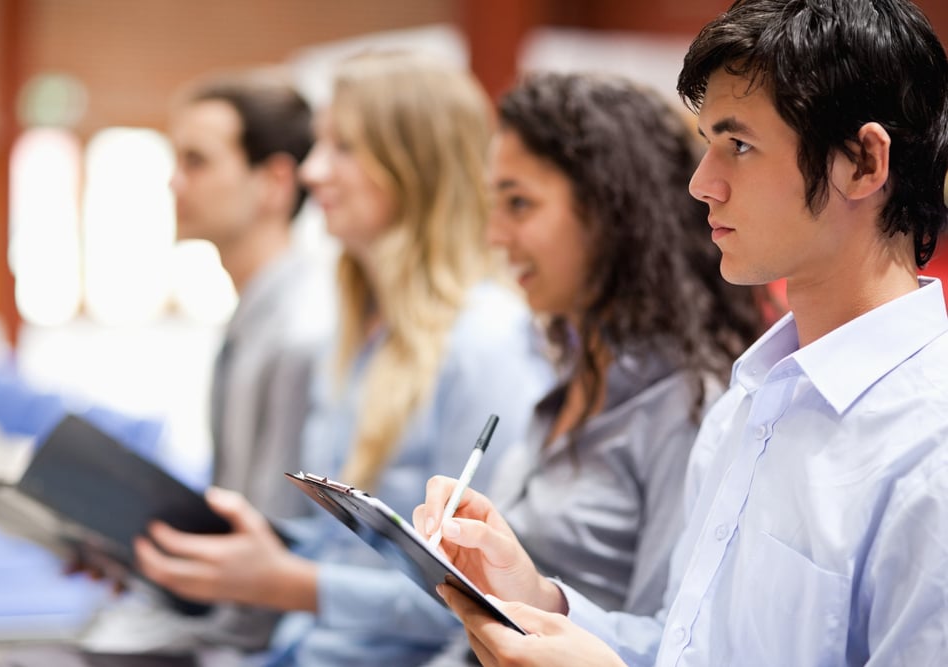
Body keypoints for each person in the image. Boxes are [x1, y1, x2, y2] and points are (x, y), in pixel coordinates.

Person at [414, 0, 948, 665]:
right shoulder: (749, 402)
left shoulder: (929, 446)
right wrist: (535, 594)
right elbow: (685, 645)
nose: (702, 184)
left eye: (739, 145)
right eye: (706, 145)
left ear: (863, 163)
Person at [129, 51, 554, 667]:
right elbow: (341, 549)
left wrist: (288, 583)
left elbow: (480, 598)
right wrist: (226, 552)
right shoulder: (359, 334)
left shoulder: (485, 341)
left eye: (344, 148)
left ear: (414, 165)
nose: (313, 172)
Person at [422, 71, 766, 667]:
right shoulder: (569, 378)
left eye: (519, 204)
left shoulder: (688, 406)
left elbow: (674, 643)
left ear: (611, 213)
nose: (495, 236)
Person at [0, 68, 335, 667]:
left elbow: (272, 547)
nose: (175, 182)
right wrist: (130, 553)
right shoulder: (253, 319)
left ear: (275, 181)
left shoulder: (301, 333)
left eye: (197, 161)